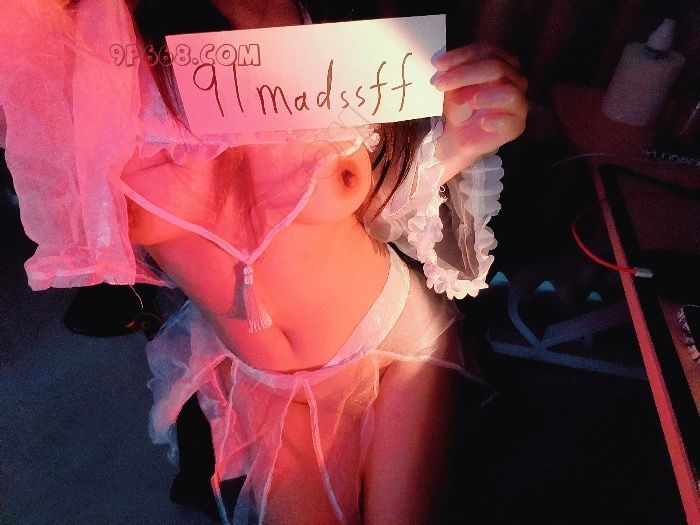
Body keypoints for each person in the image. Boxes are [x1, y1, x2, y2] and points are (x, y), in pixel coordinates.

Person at [0, 0, 527, 523]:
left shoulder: (328, 23)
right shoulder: (73, 43)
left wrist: (466, 138)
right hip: (266, 384)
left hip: (392, 343)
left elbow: (375, 208)